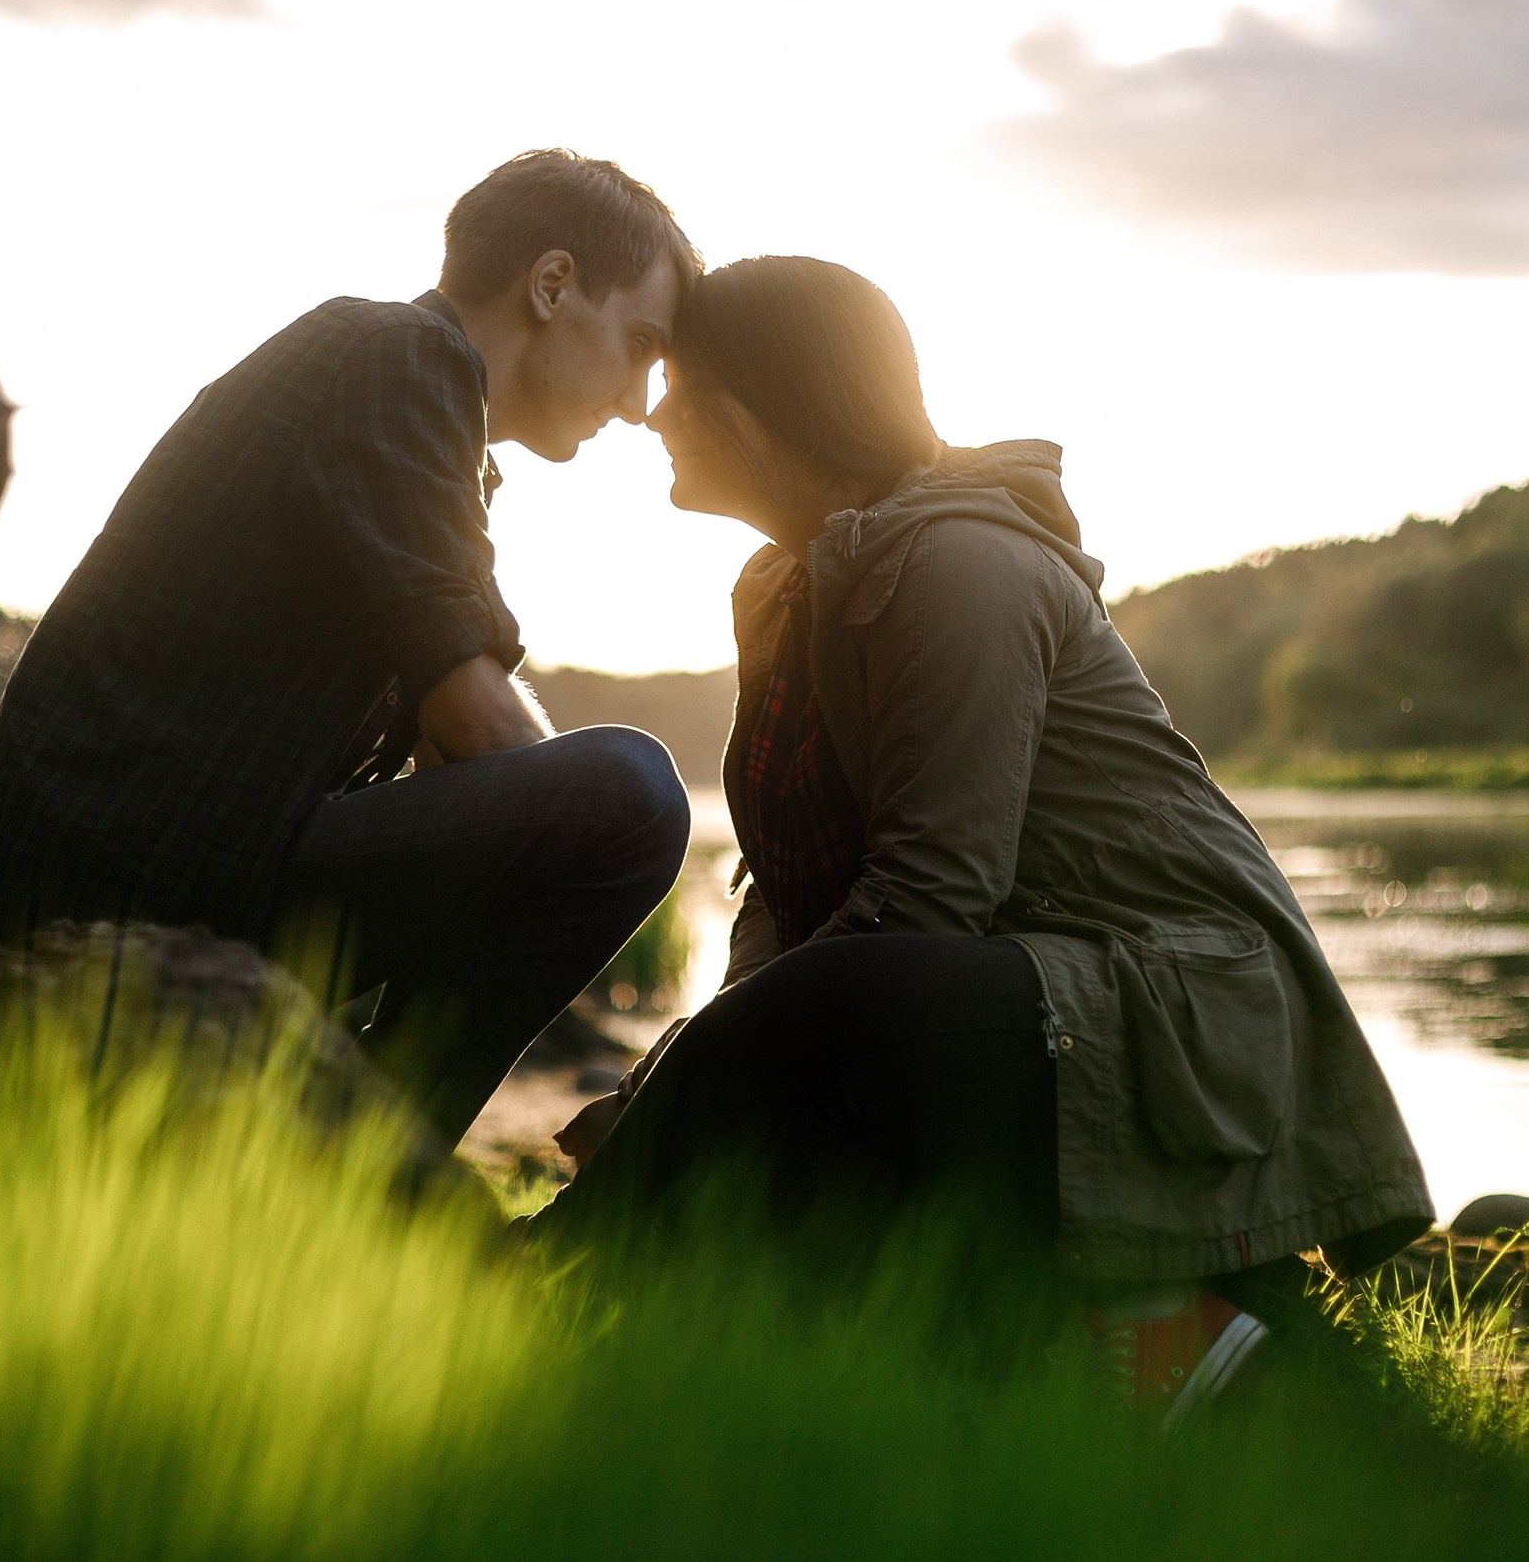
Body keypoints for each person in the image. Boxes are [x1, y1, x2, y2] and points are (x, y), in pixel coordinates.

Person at [534, 256, 1432, 1421]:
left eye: (682, 383)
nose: (653, 411)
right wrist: (698, 1067)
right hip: (1014, 989)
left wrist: (693, 1084)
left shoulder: (959, 562)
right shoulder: (784, 587)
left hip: (1157, 1004)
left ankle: (531, 1280)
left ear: (761, 403)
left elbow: (925, 897)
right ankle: (1078, 1337)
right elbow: (780, 890)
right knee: (774, 1100)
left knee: (828, 1012)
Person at [0, 150, 698, 1151]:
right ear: (551, 284)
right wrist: (564, 830)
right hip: (134, 876)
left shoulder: (417, 405)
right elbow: (475, 721)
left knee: (600, 792)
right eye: (639, 343)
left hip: (162, 865)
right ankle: (368, 1162)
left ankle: (342, 1133)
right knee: (629, 797)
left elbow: (446, 739)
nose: (639, 400)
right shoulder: (396, 359)